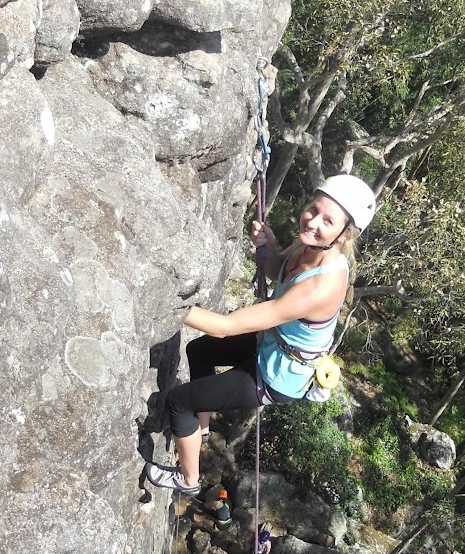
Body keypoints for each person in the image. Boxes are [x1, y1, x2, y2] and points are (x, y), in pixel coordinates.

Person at [145, 175, 377, 495]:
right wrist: (267, 246)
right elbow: (274, 271)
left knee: (179, 402)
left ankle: (189, 480)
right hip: (270, 345)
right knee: (200, 351)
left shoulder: (321, 286)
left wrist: (167, 304)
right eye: (313, 209)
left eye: (328, 220)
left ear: (344, 234)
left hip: (276, 376)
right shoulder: (306, 247)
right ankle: (202, 428)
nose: (312, 221)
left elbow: (226, 326)